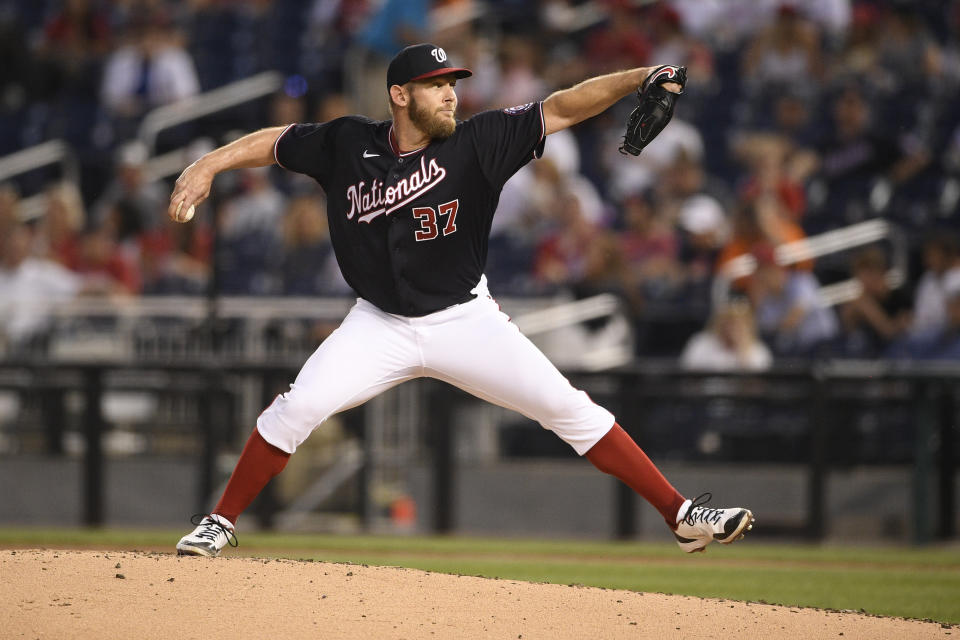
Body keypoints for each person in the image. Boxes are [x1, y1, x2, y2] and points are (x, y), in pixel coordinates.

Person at [170, 43, 753, 557]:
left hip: (464, 318)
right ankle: (219, 523)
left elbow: (564, 105)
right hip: (378, 322)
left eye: (453, 85)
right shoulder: (346, 143)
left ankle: (682, 517)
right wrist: (207, 165)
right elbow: (277, 143)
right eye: (436, 86)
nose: (450, 95)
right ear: (400, 95)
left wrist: (640, 76)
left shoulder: (482, 141)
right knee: (292, 412)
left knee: (571, 410)